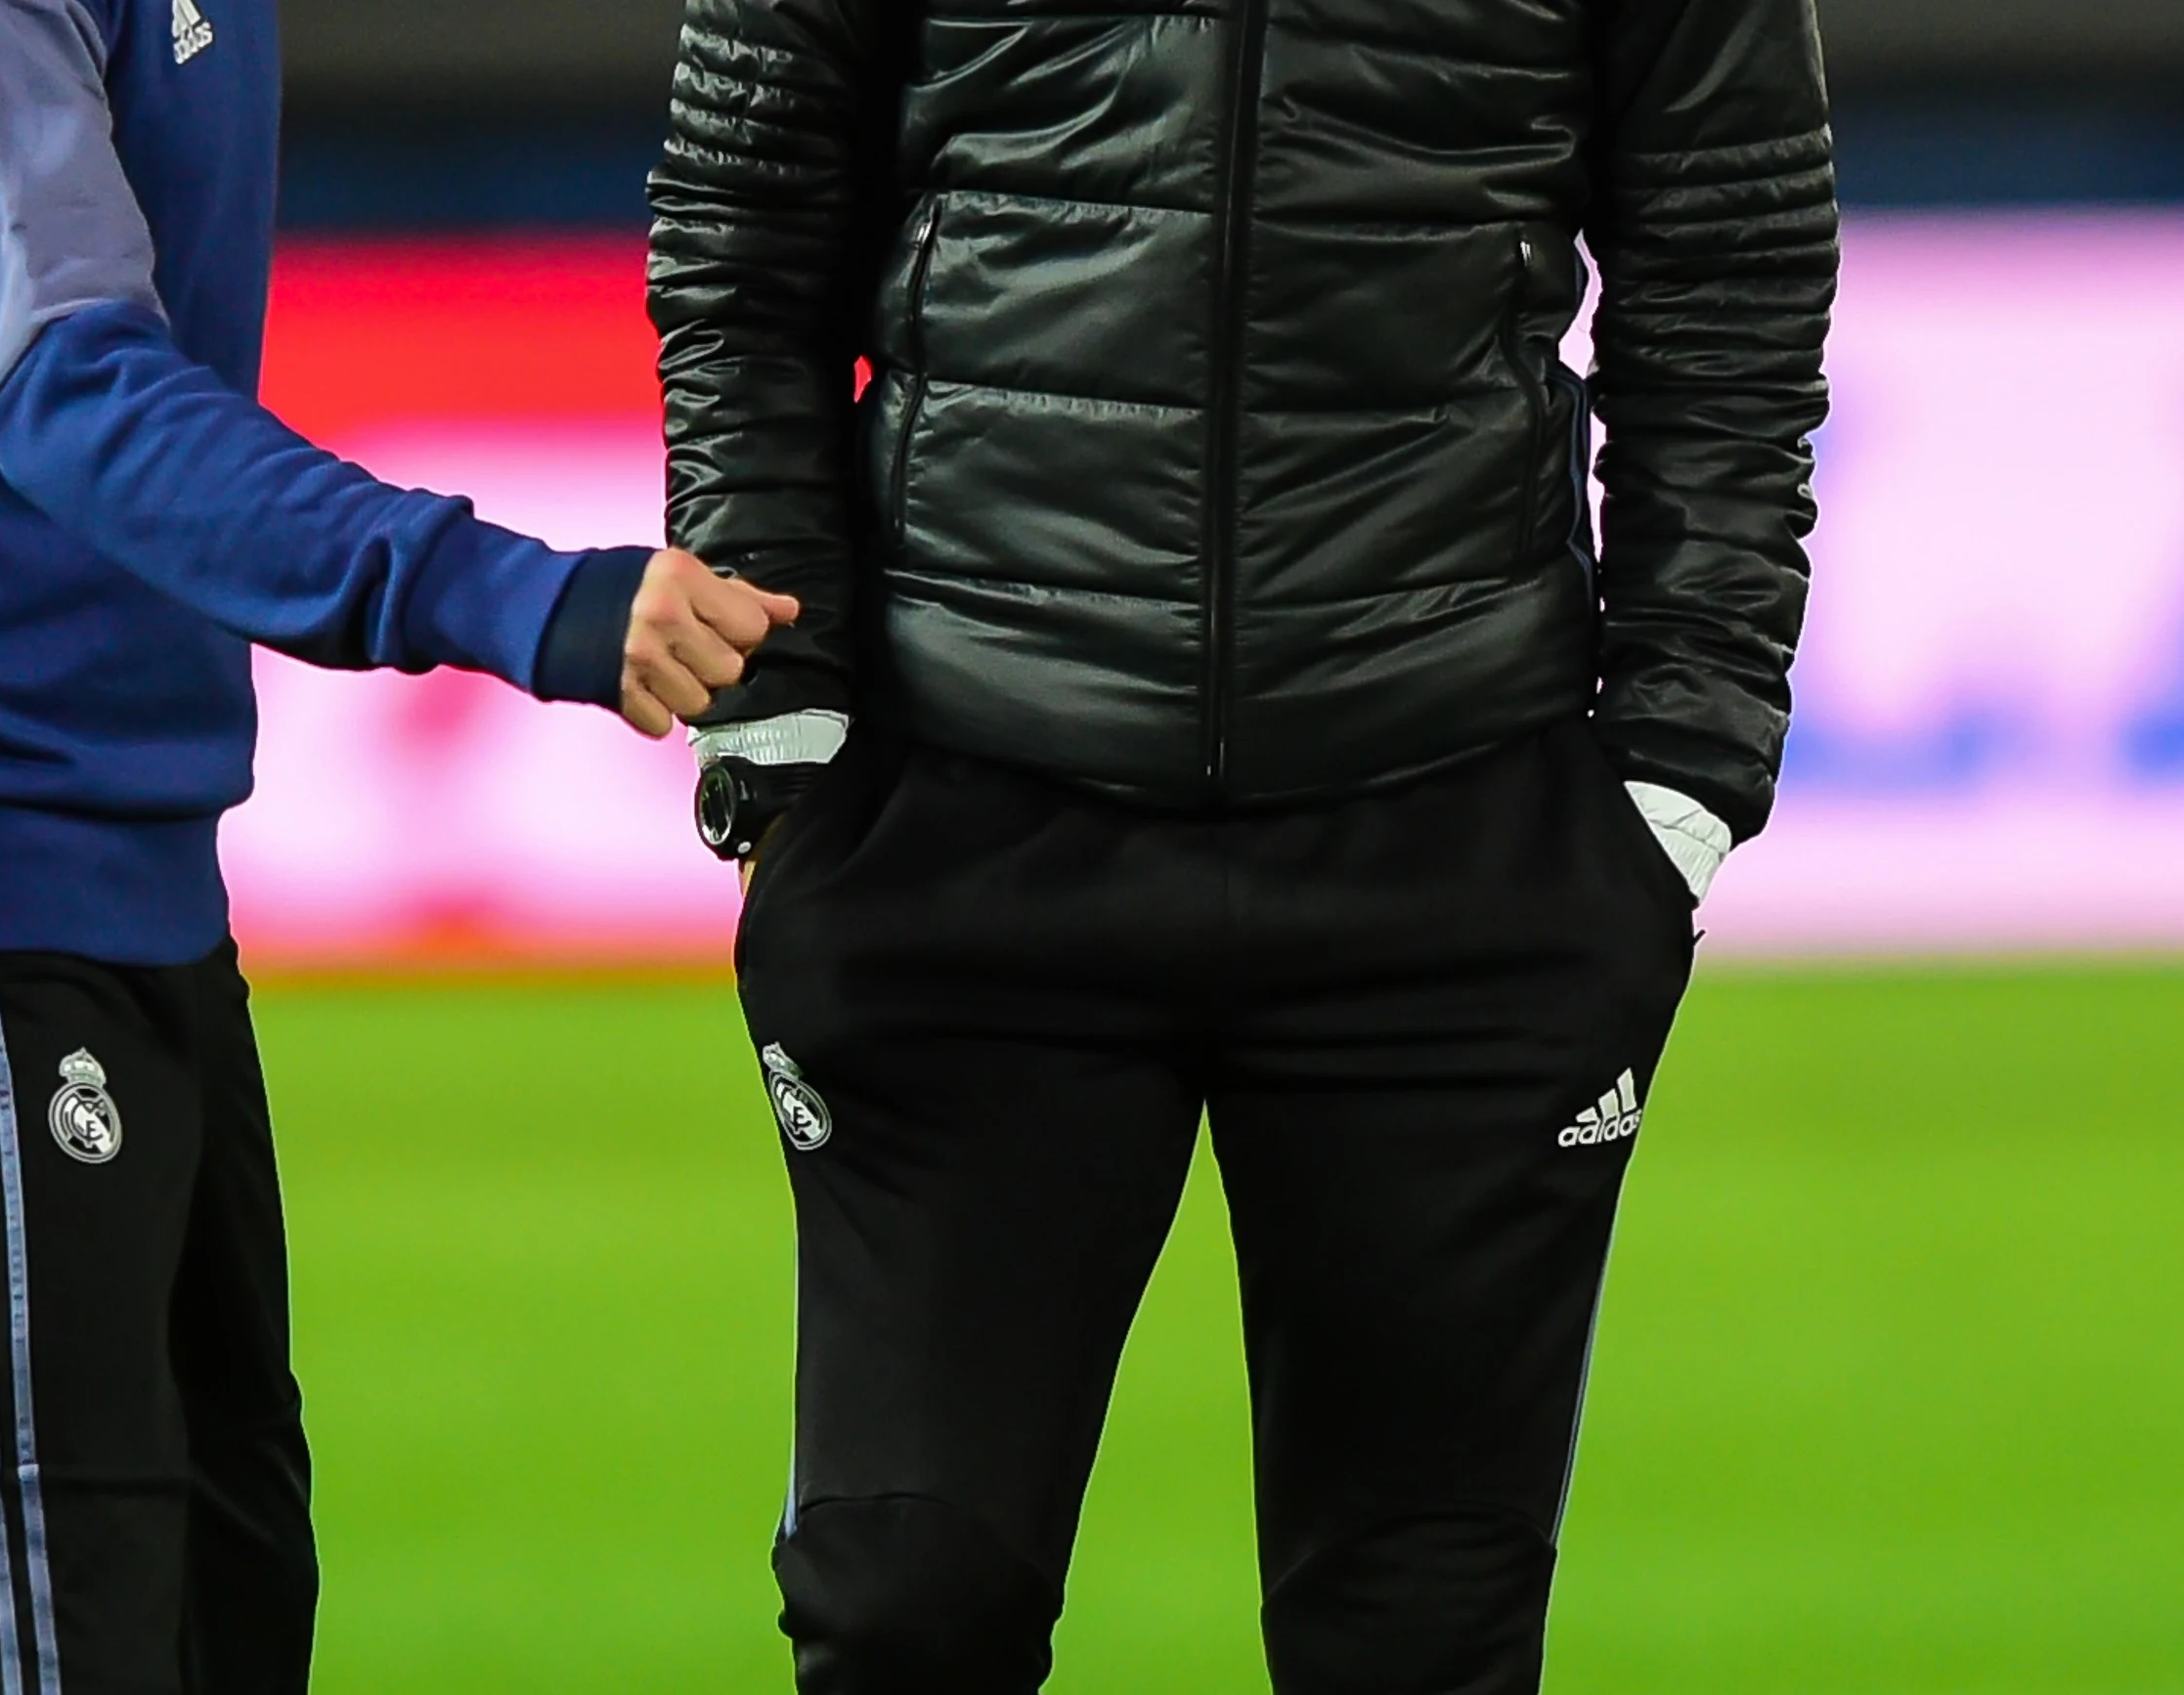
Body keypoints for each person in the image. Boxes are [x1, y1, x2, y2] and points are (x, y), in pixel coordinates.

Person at [651, 0, 1835, 1687]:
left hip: (1458, 832)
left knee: (1418, 1637)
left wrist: (1681, 772)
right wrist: (782, 730)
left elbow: (1734, 259)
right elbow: (740, 225)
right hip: (962, 819)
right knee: (907, 1607)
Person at [0, 0, 796, 1689]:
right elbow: (71, 385)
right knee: (57, 1646)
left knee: (218, 1615)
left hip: (101, 873)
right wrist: (512, 596)